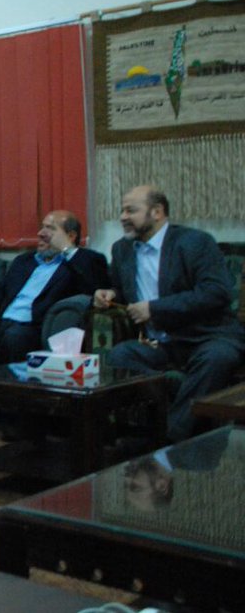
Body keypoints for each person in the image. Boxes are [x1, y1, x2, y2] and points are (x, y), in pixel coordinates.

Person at [95, 185, 244, 443]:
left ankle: (168, 441)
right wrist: (110, 294)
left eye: (130, 210)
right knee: (120, 355)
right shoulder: (122, 249)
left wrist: (154, 308)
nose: (122, 217)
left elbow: (216, 292)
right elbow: (121, 288)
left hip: (207, 337)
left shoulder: (195, 242)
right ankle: (179, 395)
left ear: (157, 212)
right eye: (122, 210)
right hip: (161, 344)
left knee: (217, 358)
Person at [0, 210, 108, 370]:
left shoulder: (83, 262)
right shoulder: (24, 261)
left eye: (50, 229)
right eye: (42, 227)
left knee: (15, 337)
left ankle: (2, 391)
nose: (40, 233)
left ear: (70, 236)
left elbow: (96, 284)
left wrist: (67, 249)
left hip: (31, 330)